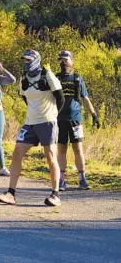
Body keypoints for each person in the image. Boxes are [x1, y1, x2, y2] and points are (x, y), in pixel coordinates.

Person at [0, 49, 65, 206]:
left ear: (36, 60)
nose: (25, 63)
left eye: (28, 60)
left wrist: (52, 115)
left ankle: (55, 194)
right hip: (30, 123)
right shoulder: (24, 79)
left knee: (50, 156)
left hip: (47, 122)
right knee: (17, 153)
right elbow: (26, 98)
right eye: (24, 60)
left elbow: (61, 98)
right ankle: (11, 193)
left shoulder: (48, 75)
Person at [56, 50, 100, 190]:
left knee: (78, 148)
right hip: (59, 119)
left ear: (72, 61)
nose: (63, 62)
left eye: (66, 59)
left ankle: (82, 178)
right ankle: (61, 179)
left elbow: (85, 98)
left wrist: (94, 115)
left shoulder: (77, 78)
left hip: (75, 118)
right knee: (61, 149)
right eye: (61, 60)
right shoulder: (55, 78)